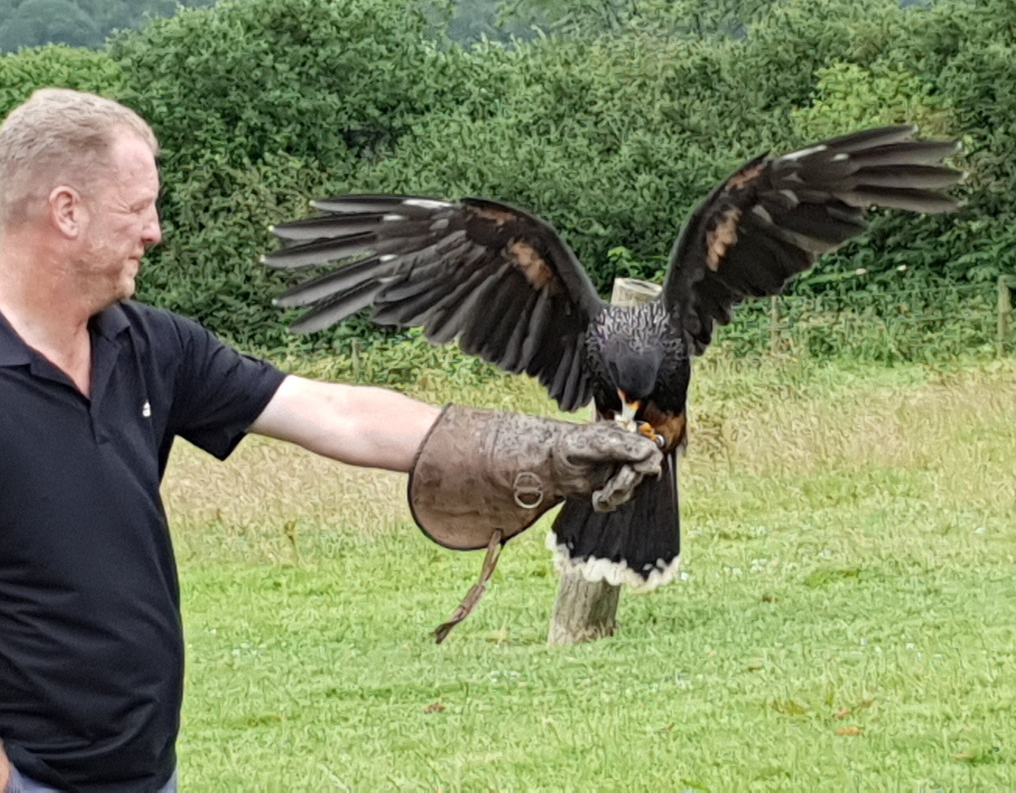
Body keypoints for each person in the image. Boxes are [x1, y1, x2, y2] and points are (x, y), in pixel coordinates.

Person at [0, 88, 662, 792]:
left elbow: (333, 412)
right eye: (137, 209)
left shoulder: (147, 347)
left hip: (143, 770)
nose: (156, 231)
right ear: (66, 211)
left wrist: (544, 450)